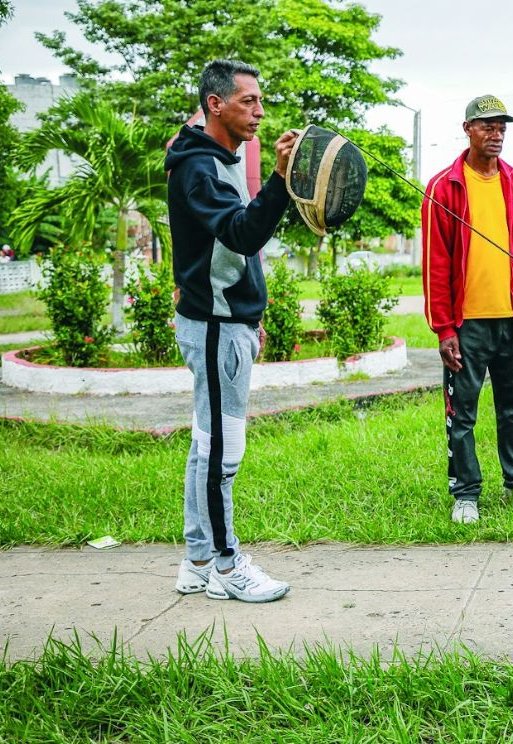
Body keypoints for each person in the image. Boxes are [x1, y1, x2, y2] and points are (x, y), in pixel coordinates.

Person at [165, 59, 298, 603]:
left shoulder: (213, 158)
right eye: (249, 102)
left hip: (225, 320)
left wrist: (252, 312)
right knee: (222, 450)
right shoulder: (200, 167)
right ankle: (225, 563)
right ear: (215, 104)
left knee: (205, 445)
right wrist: (281, 182)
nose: (260, 112)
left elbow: (224, 251)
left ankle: (197, 560)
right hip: (215, 327)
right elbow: (243, 234)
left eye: (261, 101)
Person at [421, 94, 513, 524]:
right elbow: (434, 265)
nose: (495, 134)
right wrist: (444, 330)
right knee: (461, 413)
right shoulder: (445, 187)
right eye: (487, 126)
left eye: (501, 127)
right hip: (467, 325)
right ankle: (465, 493)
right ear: (467, 129)